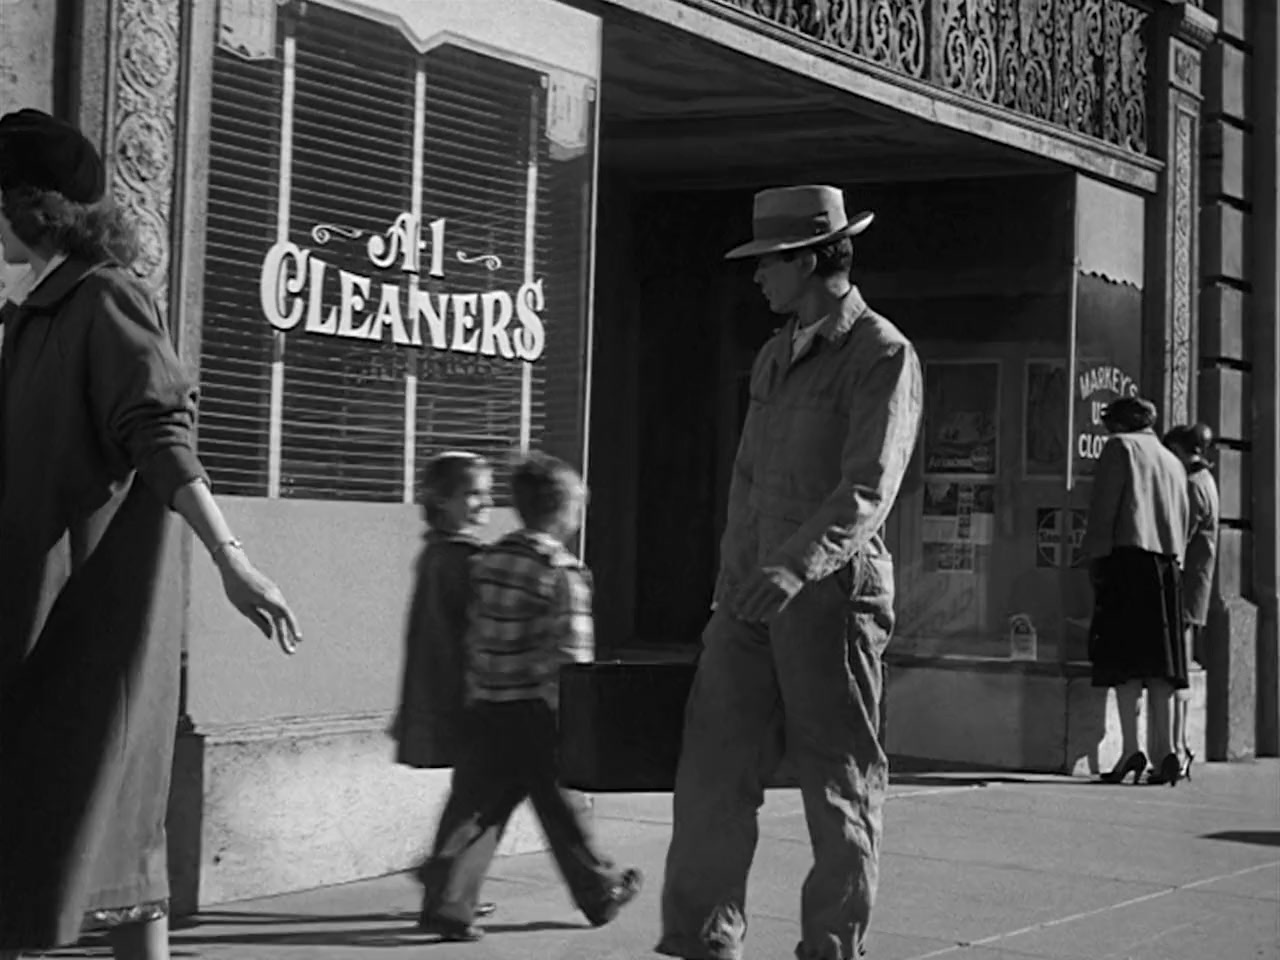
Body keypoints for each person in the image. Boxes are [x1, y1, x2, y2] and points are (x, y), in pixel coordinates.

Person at [0, 109, 302, 960]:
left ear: (29, 204)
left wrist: (232, 559)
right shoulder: (32, 315)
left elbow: (161, 433)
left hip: (88, 615)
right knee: (101, 837)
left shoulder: (106, 297)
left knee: (80, 817)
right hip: (35, 604)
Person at [657, 185, 923, 960]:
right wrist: (732, 585)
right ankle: (703, 939)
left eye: (766, 261)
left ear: (808, 260)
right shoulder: (775, 353)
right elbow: (745, 483)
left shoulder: (882, 353)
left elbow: (869, 487)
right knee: (712, 768)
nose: (756, 276)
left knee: (838, 782)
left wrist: (796, 566)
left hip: (833, 596)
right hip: (748, 596)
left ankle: (832, 946)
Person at [414, 453, 642, 942]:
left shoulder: (488, 560)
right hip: (539, 713)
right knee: (564, 808)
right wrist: (577, 720)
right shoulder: (563, 572)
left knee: (474, 807)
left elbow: (474, 633)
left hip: (488, 706)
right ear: (565, 513)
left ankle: (447, 901)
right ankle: (599, 889)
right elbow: (572, 658)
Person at [390, 450, 498, 920]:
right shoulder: (462, 559)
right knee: (479, 797)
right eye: (473, 493)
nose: (484, 502)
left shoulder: (438, 554)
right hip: (466, 696)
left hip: (448, 694)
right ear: (442, 499)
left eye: (487, 493)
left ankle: (448, 885)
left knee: (474, 795)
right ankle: (445, 882)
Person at [1082, 396, 1190, 787]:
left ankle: (1131, 749)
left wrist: (1093, 559)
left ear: (1120, 423)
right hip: (1167, 567)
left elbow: (1104, 511)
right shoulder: (1172, 461)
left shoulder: (1120, 448)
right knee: (1161, 665)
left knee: (1123, 660)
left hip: (1127, 561)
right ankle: (1165, 752)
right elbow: (1184, 519)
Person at [1162, 422, 1220, 781]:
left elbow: (1180, 535)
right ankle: (1179, 744)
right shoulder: (1206, 481)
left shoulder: (1193, 485)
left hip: (1187, 585)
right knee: (1182, 664)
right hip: (1196, 585)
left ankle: (1179, 745)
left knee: (1179, 668)